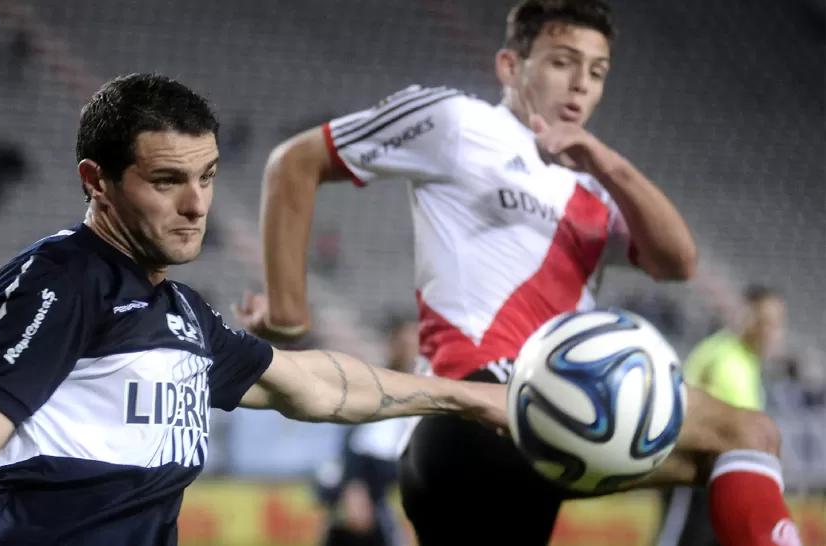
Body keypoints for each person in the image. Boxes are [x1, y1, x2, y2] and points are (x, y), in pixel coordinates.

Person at [246, 1, 803, 544]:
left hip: (559, 416)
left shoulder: (594, 190)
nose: (581, 83)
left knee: (748, 435)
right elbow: (295, 161)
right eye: (563, 62)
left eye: (597, 71)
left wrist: (605, 161)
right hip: (469, 414)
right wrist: (288, 311)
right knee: (742, 433)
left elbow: (677, 261)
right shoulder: (458, 122)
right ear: (511, 67)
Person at [0, 73, 514, 546]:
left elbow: (317, 387)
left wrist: (466, 396)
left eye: (207, 176)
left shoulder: (180, 312)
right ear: (96, 181)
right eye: (167, 181)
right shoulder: (60, 283)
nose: (197, 205)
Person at [656, 284, 787, 546]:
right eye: (764, 322)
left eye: (776, 325)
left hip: (720, 478)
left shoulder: (745, 360)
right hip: (693, 478)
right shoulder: (722, 358)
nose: (770, 333)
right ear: (746, 318)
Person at [311, 314, 418, 546]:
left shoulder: (431, 391)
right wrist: (354, 484)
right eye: (405, 344)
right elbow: (355, 445)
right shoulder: (375, 390)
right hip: (372, 487)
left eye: (415, 345)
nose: (411, 353)